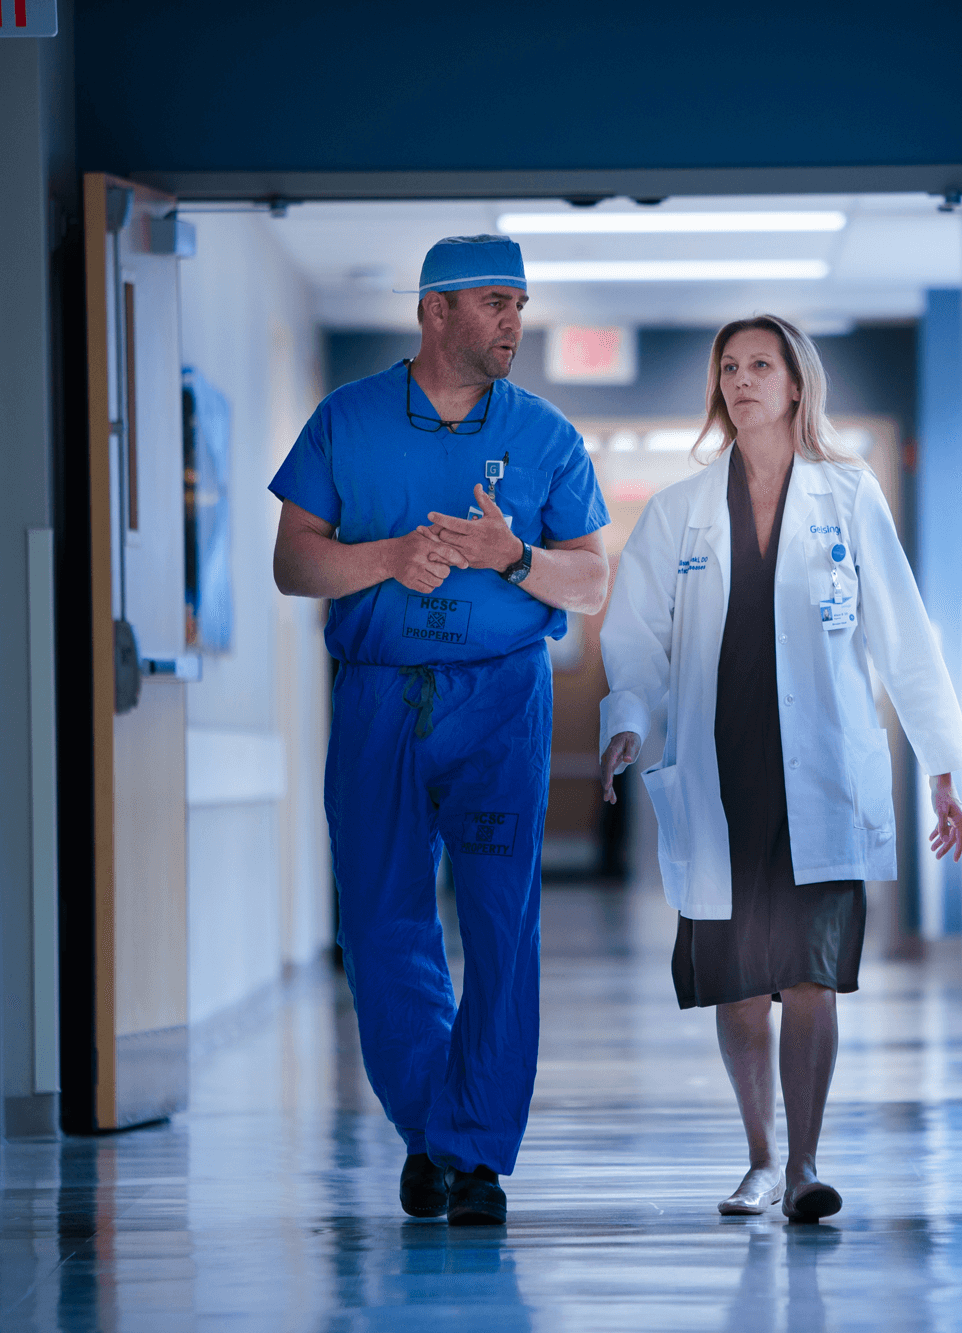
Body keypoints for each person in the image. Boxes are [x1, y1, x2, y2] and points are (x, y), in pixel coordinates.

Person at [269, 234, 611, 1226]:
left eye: (521, 302)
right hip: (379, 694)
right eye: (495, 301)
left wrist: (513, 559)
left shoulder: (546, 436)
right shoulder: (347, 420)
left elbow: (590, 580)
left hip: (502, 699)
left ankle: (471, 1151)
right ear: (434, 311)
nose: (514, 320)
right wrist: (384, 559)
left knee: (502, 922)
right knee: (382, 923)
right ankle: (434, 1127)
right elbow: (295, 562)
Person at [597, 315, 962, 1223]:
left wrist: (943, 763)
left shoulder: (848, 494)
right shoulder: (681, 510)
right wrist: (629, 721)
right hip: (723, 779)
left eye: (761, 364)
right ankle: (758, 1159)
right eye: (730, 366)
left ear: (796, 383)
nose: (743, 379)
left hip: (822, 780)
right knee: (735, 979)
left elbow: (902, 633)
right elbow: (637, 633)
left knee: (808, 971)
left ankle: (805, 1164)